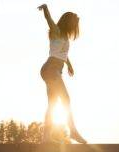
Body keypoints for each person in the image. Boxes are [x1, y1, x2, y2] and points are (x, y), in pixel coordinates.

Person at [38, 4, 87, 144]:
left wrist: (69, 65)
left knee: (52, 104)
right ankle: (72, 131)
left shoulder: (64, 36)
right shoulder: (56, 30)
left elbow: (63, 54)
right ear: (68, 23)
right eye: (74, 25)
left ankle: (45, 138)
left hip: (54, 71)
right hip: (50, 69)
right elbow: (49, 20)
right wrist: (46, 9)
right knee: (66, 98)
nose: (74, 29)